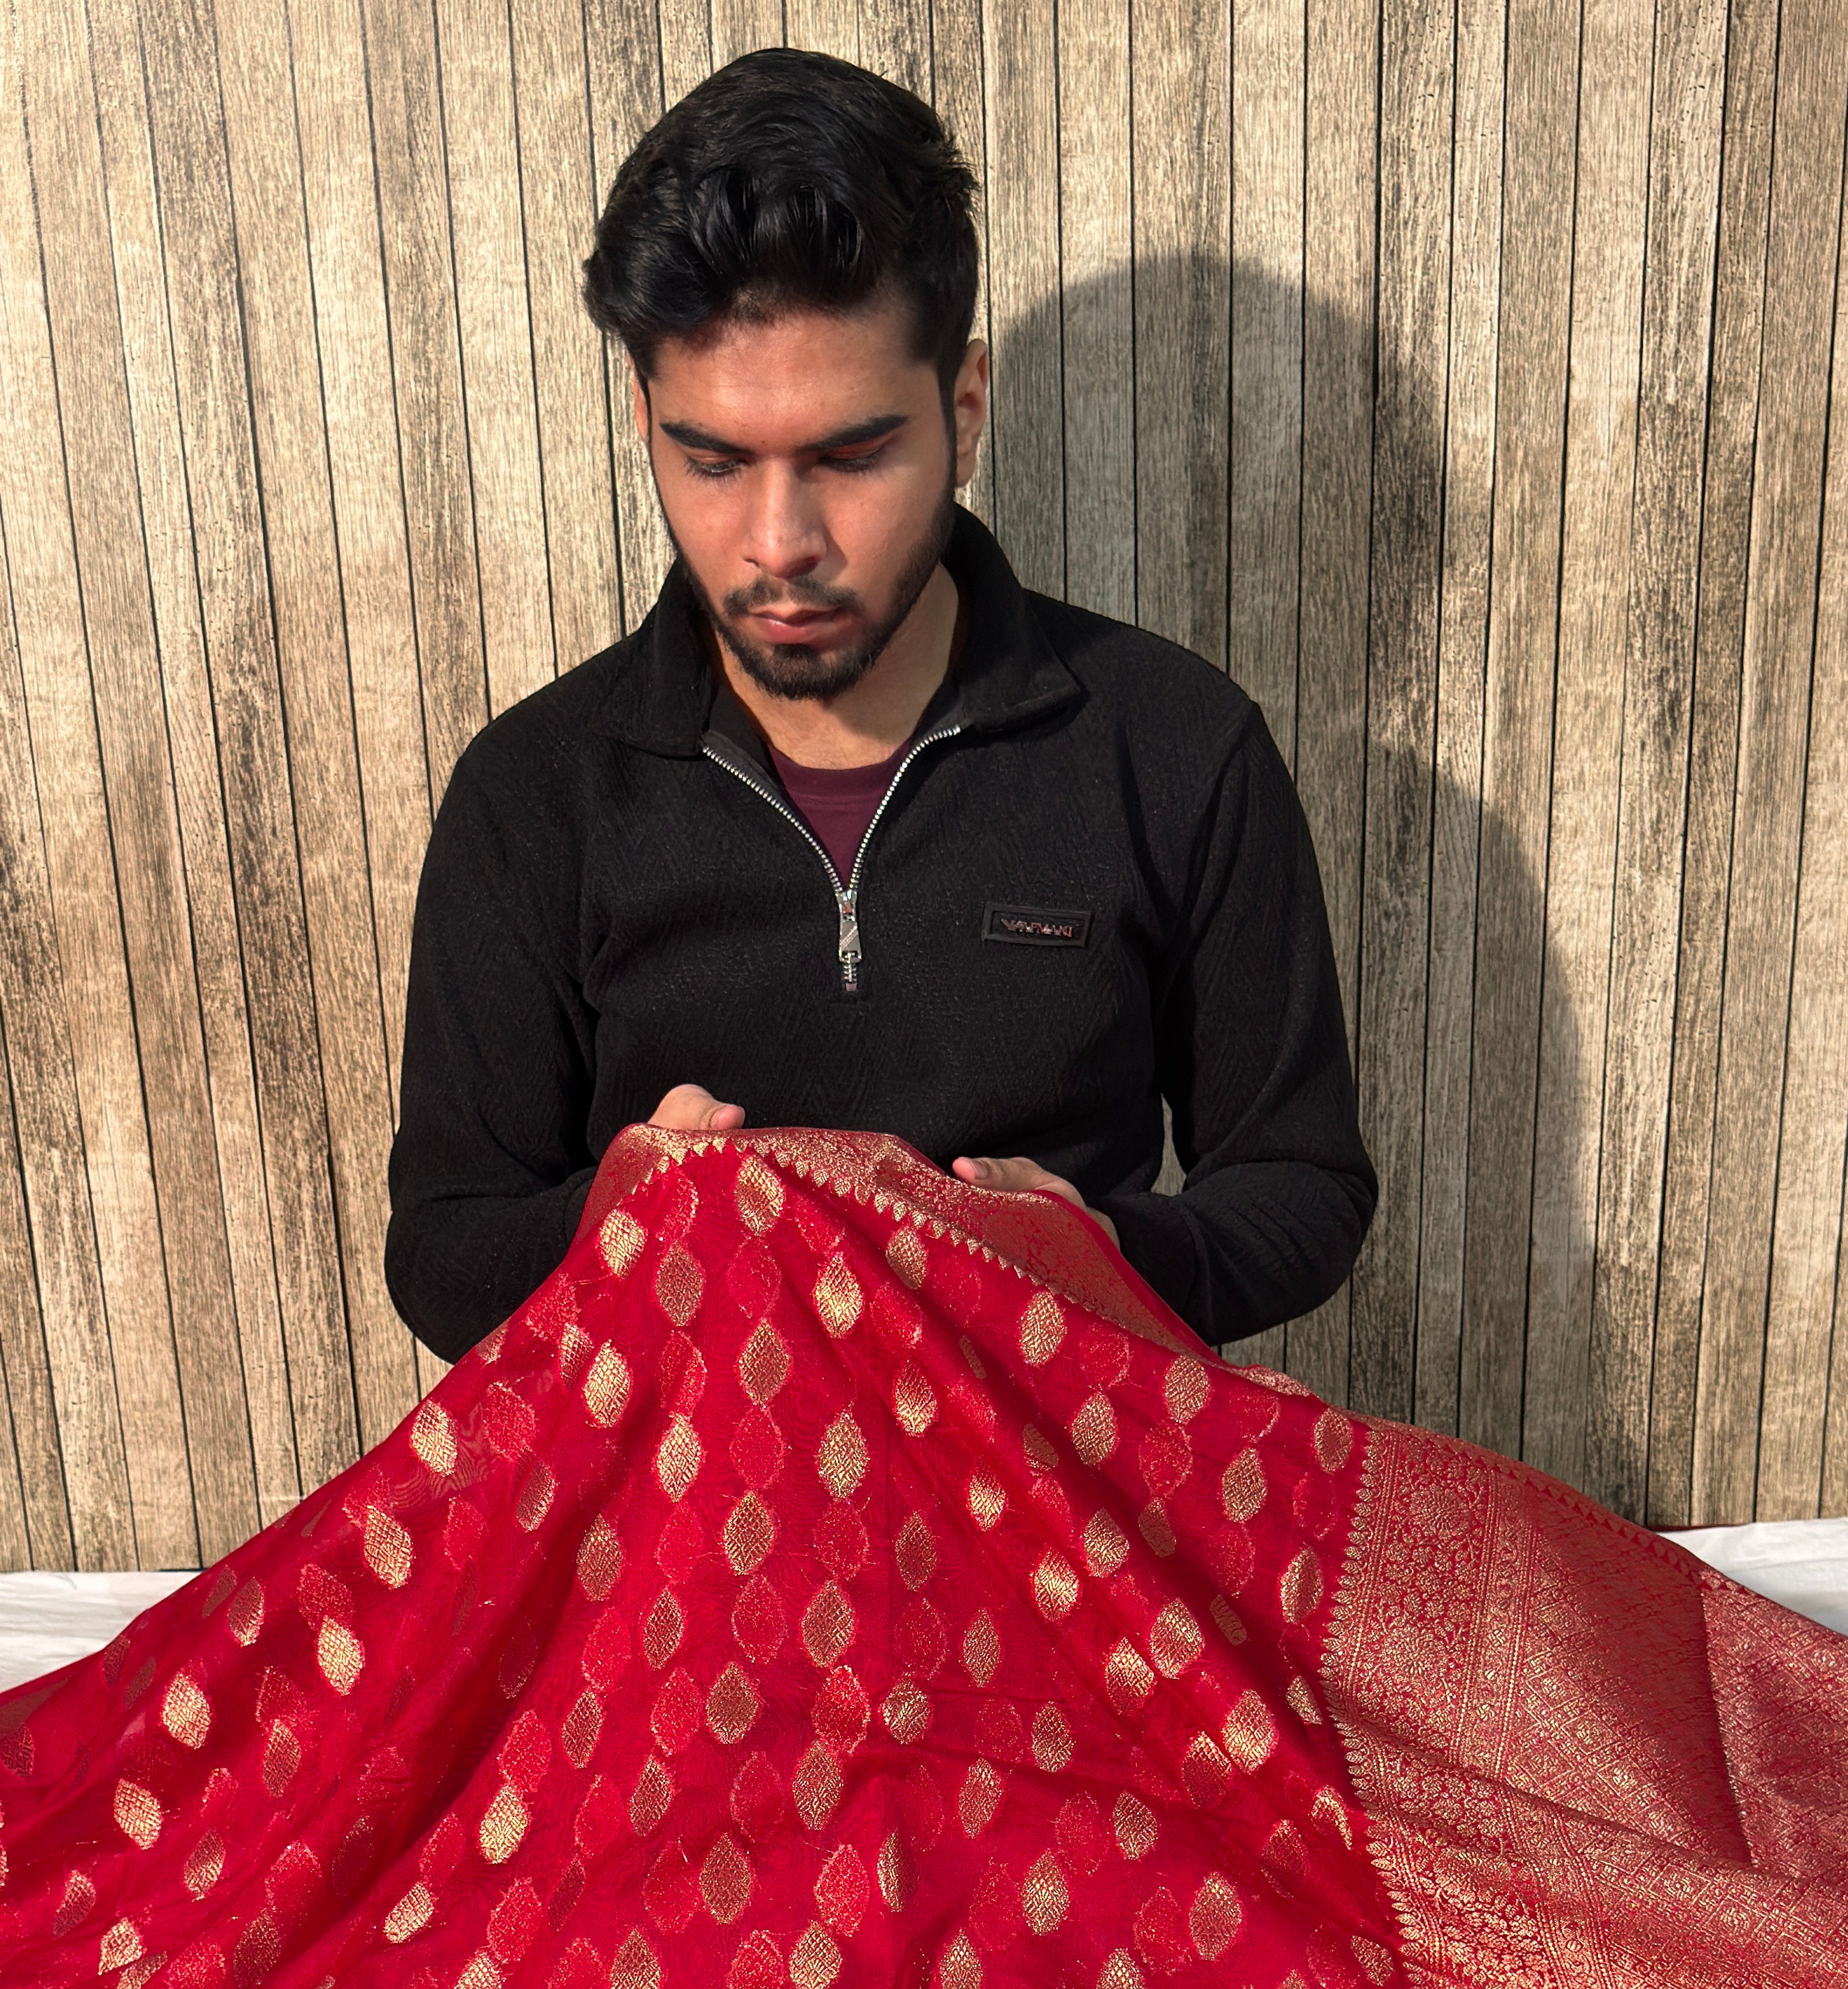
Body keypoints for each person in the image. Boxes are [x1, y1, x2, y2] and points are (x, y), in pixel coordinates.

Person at [384, 48, 1375, 1363]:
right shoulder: (536, 793)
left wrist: (1109, 1258)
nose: (779, 542)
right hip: (683, 1475)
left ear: (963, 407)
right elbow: (443, 1245)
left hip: (1047, 1464)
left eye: (851, 456)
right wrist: (615, 1227)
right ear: (644, 415)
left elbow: (1304, 1185)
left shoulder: (1175, 747)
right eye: (711, 460)